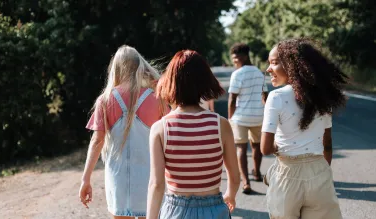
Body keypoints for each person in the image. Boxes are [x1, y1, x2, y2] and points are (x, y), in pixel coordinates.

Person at [147, 50, 240, 219]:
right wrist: (230, 194)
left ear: (170, 82)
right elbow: (234, 176)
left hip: (176, 211)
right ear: (205, 82)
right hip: (214, 210)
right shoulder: (221, 125)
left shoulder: (161, 128)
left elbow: (157, 184)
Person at [79, 45, 167, 219]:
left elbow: (97, 141)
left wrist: (85, 179)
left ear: (116, 68)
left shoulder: (105, 99)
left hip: (117, 177)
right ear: (139, 66)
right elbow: (169, 137)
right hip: (149, 177)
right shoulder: (156, 98)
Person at [262, 38, 346, 219]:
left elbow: (266, 148)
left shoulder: (276, 97)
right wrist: (321, 172)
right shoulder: (323, 97)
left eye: (274, 63)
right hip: (319, 172)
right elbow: (327, 144)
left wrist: (280, 144)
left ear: (292, 66)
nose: (268, 69)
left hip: (287, 175)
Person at [227, 43, 268, 194]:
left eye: (236, 59)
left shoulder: (237, 74)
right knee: (257, 146)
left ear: (244, 57)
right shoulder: (259, 73)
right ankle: (256, 172)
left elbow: (232, 100)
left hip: (241, 118)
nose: (234, 62)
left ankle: (246, 182)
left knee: (241, 148)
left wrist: (230, 119)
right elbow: (265, 96)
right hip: (258, 116)